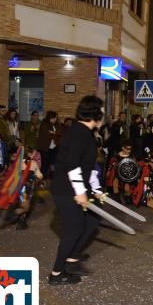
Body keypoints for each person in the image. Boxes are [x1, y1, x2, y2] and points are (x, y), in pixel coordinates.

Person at [49, 96, 105, 285]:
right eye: (102, 110)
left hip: (74, 186)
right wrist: (80, 192)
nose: (104, 114)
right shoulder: (79, 133)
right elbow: (73, 164)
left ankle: (72, 258)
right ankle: (56, 274)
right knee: (74, 229)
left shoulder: (83, 132)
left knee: (90, 221)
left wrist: (95, 189)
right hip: (66, 189)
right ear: (95, 113)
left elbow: (86, 165)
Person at [37, 111, 60, 179]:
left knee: (53, 163)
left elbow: (59, 133)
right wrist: (54, 133)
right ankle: (42, 179)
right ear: (50, 117)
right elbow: (47, 135)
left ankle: (50, 178)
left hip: (54, 147)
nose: (55, 119)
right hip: (45, 148)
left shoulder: (56, 124)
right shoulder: (44, 123)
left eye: (56, 118)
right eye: (54, 118)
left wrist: (54, 133)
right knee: (45, 164)